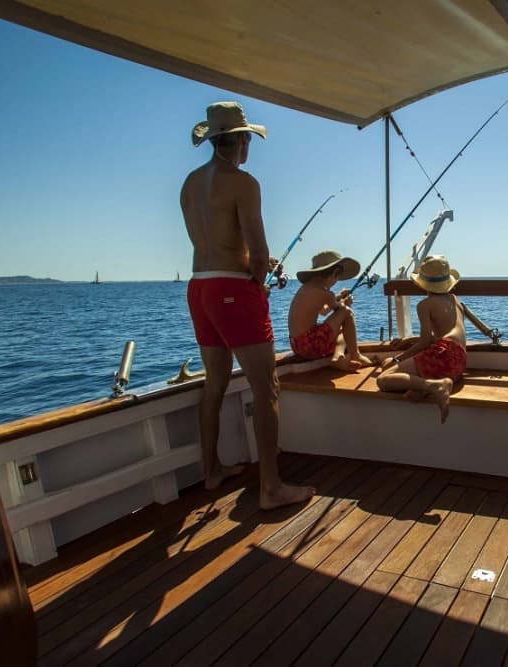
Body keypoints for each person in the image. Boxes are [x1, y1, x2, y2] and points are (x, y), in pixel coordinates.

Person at [182, 100, 314, 509]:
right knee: (266, 387)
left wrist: (250, 269)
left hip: (199, 288)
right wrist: (260, 279)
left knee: (215, 384)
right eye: (247, 140)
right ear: (240, 140)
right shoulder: (244, 183)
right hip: (233, 291)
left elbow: (218, 243)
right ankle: (271, 488)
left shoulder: (189, 182)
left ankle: (211, 471)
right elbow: (257, 254)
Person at [377, 255, 466, 423]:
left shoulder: (424, 305)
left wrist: (397, 359)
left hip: (444, 354)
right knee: (411, 390)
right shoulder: (456, 300)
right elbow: (441, 337)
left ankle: (435, 386)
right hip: (459, 361)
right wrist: (410, 339)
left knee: (384, 379)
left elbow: (426, 341)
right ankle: (426, 387)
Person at [287, 250, 375, 370]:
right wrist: (345, 303)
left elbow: (323, 311)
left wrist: (338, 297)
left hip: (297, 346)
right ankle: (356, 355)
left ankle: (338, 357)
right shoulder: (326, 294)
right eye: (337, 277)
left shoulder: (307, 287)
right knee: (347, 312)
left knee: (342, 332)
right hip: (311, 346)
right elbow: (341, 311)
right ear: (334, 274)